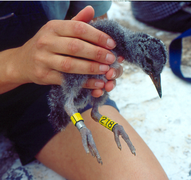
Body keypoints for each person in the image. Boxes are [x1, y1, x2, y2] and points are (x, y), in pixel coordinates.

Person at [0, 1, 168, 179]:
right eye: (151, 69)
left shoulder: (114, 41)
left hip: (49, 85)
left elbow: (96, 22)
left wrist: (93, 61)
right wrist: (16, 64)